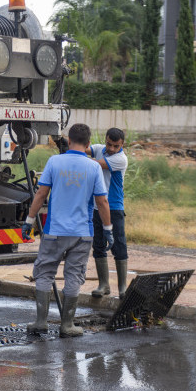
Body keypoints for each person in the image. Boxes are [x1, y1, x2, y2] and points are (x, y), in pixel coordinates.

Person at [21, 123, 114, 338]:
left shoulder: (55, 161)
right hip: (82, 234)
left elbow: (41, 194)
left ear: (69, 140)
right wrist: (108, 229)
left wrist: (29, 220)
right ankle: (67, 325)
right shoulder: (93, 167)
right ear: (89, 144)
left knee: (44, 273)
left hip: (54, 231)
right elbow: (102, 201)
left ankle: (40, 322)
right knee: (74, 276)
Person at [87, 128, 129, 299]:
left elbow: (95, 165)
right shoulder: (99, 149)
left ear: (122, 144)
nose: (111, 148)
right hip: (97, 207)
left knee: (119, 246)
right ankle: (104, 285)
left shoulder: (121, 159)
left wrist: (77, 155)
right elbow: (83, 148)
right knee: (98, 245)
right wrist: (66, 142)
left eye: (116, 146)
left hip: (114, 207)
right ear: (105, 140)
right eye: (109, 144)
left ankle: (122, 287)